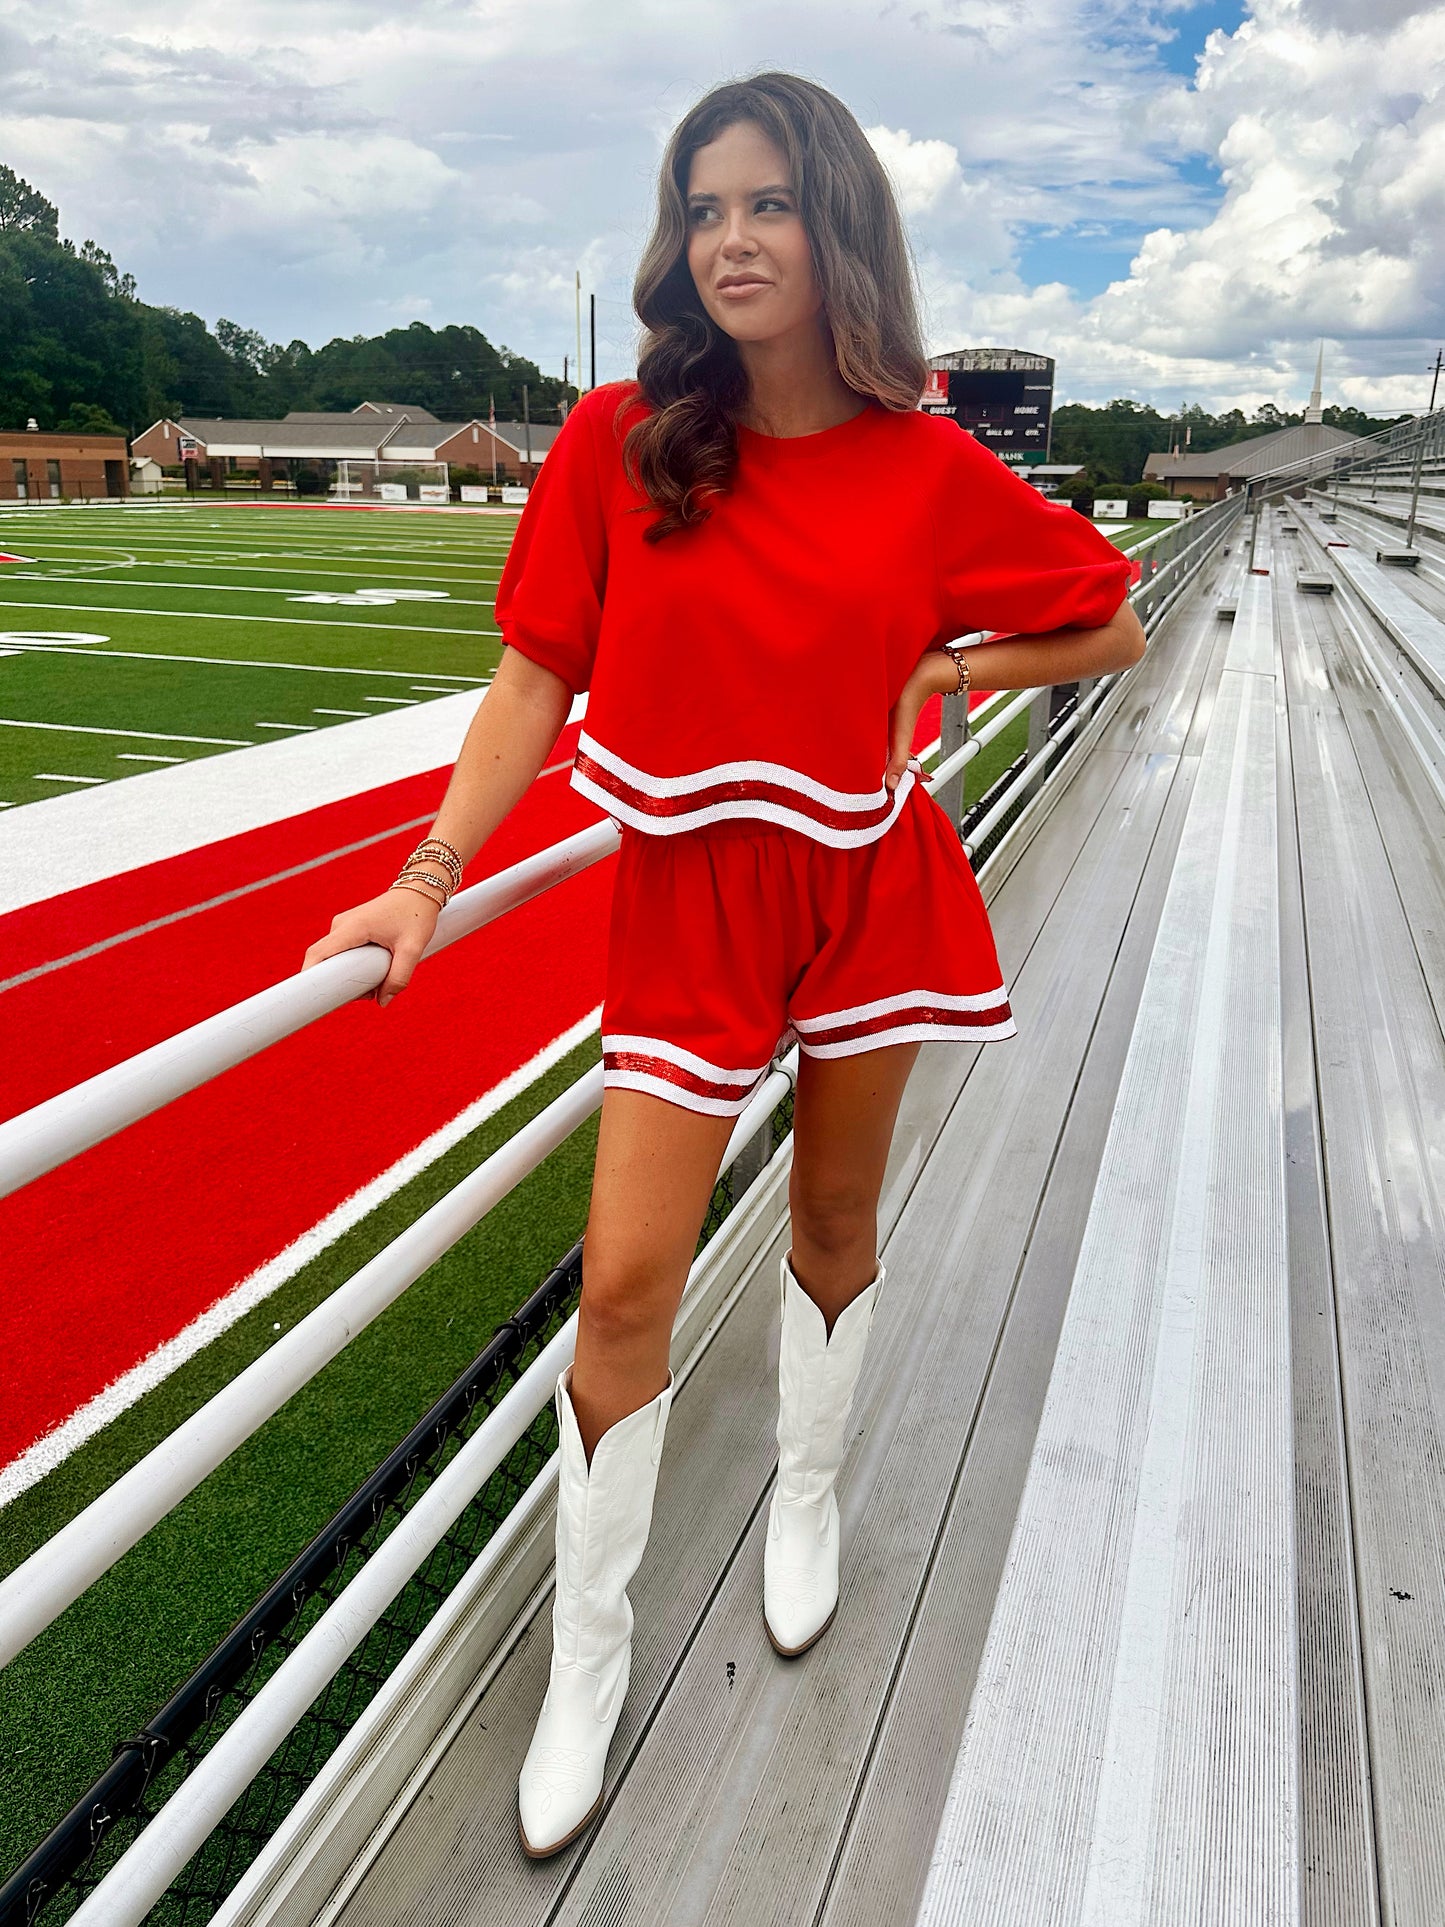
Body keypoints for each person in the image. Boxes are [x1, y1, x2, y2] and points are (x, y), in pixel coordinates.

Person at [302, 71, 1145, 1861]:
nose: (731, 240)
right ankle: (587, 1664)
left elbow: (1110, 616)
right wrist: (427, 878)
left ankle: (809, 1501)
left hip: (864, 893)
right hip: (684, 906)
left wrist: (949, 678)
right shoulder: (624, 439)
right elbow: (535, 673)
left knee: (833, 1226)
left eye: (766, 205)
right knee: (622, 1286)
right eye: (703, 209)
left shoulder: (929, 465)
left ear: (835, 227)